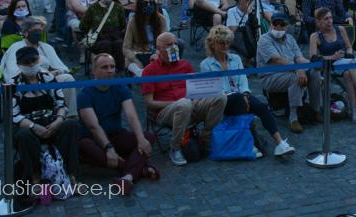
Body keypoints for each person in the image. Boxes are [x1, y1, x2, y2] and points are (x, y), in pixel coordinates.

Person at [200, 26, 295, 156]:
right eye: (222, 43)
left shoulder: (236, 59)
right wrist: (239, 96)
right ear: (213, 44)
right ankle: (250, 143)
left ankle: (279, 143)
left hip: (241, 97)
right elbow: (213, 88)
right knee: (238, 100)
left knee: (261, 106)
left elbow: (243, 80)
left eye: (228, 42)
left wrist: (244, 94)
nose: (226, 45)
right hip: (222, 100)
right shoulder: (206, 64)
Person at [140, 32, 227, 166]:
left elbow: (195, 90)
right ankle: (175, 147)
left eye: (175, 43)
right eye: (169, 45)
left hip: (190, 106)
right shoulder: (149, 71)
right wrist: (177, 103)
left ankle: (206, 138)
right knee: (184, 104)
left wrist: (196, 100)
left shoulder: (185, 65)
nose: (174, 47)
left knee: (220, 97)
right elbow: (149, 102)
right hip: (165, 111)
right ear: (159, 49)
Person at [78, 53, 157, 196]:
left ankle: (127, 177)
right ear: (93, 70)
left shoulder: (120, 87)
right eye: (104, 67)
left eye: (112, 67)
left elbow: (131, 115)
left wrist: (140, 139)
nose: (110, 70)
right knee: (86, 146)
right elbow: (93, 126)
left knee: (147, 137)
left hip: (116, 134)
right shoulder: (85, 94)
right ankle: (140, 168)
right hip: (93, 140)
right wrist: (108, 148)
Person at [11, 46, 78, 195]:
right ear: (19, 64)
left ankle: (70, 174)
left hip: (51, 122)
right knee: (23, 135)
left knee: (71, 125)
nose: (30, 65)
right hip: (28, 126)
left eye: (33, 61)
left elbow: (61, 103)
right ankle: (35, 177)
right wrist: (34, 127)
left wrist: (59, 120)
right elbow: (14, 115)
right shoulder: (13, 83)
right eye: (26, 62)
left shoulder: (48, 78)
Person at [256, 13, 320, 134]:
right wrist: (297, 69)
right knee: (295, 78)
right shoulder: (264, 39)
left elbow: (298, 58)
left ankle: (315, 109)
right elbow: (277, 59)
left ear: (287, 26)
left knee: (314, 73)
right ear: (271, 24)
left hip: (290, 71)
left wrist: (313, 64)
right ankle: (293, 118)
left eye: (282, 24)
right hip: (270, 76)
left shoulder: (290, 38)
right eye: (276, 24)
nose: (279, 27)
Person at [309, 7, 356, 122]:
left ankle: (353, 111)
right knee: (351, 65)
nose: (329, 21)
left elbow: (349, 47)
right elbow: (313, 58)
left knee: (349, 72)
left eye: (330, 18)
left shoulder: (340, 29)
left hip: (347, 62)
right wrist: (332, 57)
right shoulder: (315, 36)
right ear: (318, 22)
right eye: (325, 19)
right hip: (331, 65)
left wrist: (348, 54)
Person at [2, 16, 76, 114]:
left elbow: (64, 68)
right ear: (25, 33)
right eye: (35, 31)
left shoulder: (47, 47)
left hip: (47, 80)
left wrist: (53, 73)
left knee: (68, 78)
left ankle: (69, 115)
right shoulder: (16, 48)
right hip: (24, 82)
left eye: (40, 30)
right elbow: (12, 73)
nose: (38, 33)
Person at [79, 0, 126, 68]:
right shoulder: (93, 8)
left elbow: (122, 25)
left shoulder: (118, 7)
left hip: (115, 37)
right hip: (98, 39)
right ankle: (103, 70)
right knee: (106, 45)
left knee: (119, 44)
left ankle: (119, 72)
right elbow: (83, 26)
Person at [122, 0, 167, 76]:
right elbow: (126, 48)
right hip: (139, 55)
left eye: (151, 2)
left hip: (157, 54)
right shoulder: (133, 22)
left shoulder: (161, 19)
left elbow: (165, 42)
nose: (149, 5)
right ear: (140, 5)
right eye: (145, 3)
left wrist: (157, 54)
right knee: (137, 69)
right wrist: (136, 60)